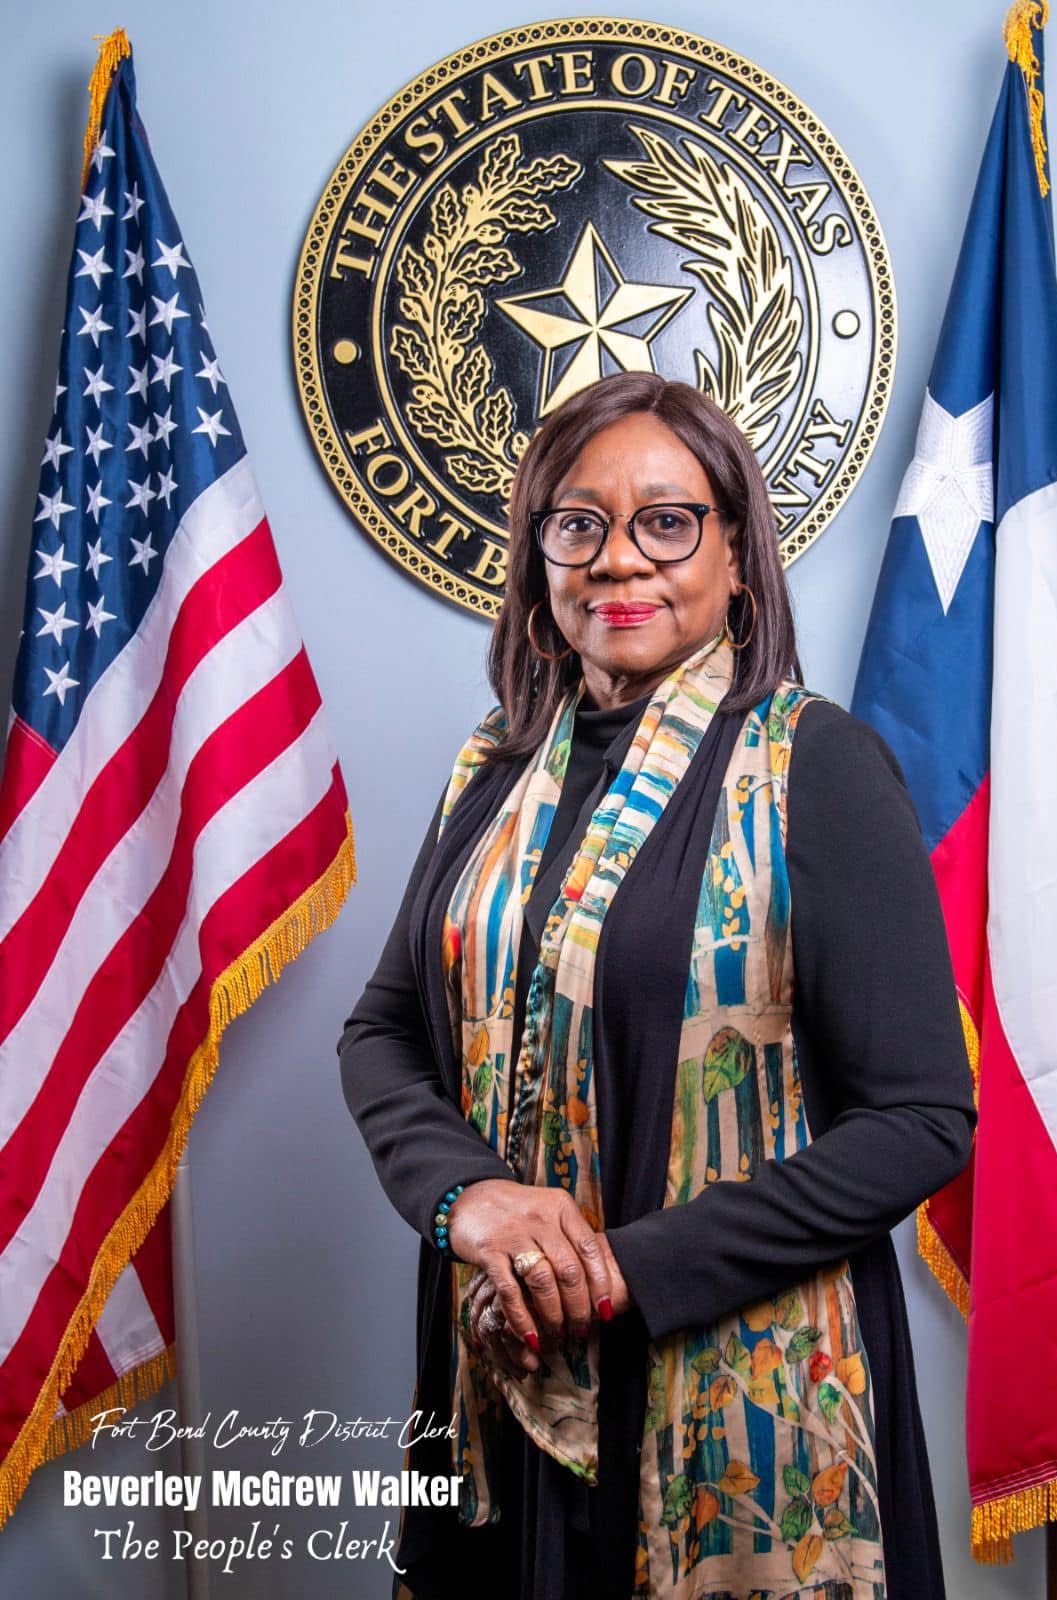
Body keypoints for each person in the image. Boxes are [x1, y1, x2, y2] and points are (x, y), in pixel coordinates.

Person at [337, 371, 975, 1600]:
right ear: (540, 558)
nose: (619, 558)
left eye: (667, 521)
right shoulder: (491, 771)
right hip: (500, 1366)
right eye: (579, 523)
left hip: (736, 1381)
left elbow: (921, 1119)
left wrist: (624, 1270)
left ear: (737, 557)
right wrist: (470, 1202)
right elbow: (385, 1031)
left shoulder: (817, 765)